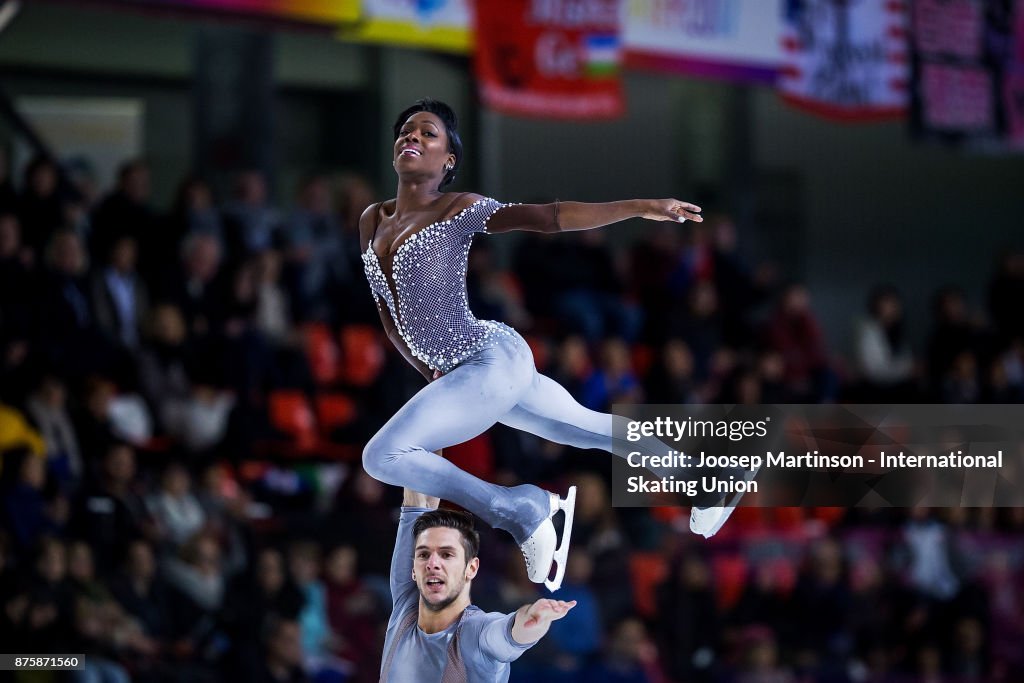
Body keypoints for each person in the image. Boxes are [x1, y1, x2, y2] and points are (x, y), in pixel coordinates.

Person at [360, 98, 745, 590]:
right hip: (471, 371)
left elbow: (548, 217)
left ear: (448, 160)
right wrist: (430, 371)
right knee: (584, 429)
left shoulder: (457, 209)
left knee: (383, 456)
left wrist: (641, 208)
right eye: (406, 130)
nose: (412, 137)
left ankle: (520, 508)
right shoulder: (372, 220)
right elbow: (391, 322)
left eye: (427, 133)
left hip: (488, 358)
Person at [381, 486, 575, 682]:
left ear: (471, 568)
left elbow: (506, 636)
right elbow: (416, 493)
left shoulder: (475, 632)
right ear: (413, 569)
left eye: (447, 555)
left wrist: (531, 621)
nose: (432, 564)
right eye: (423, 554)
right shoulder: (406, 604)